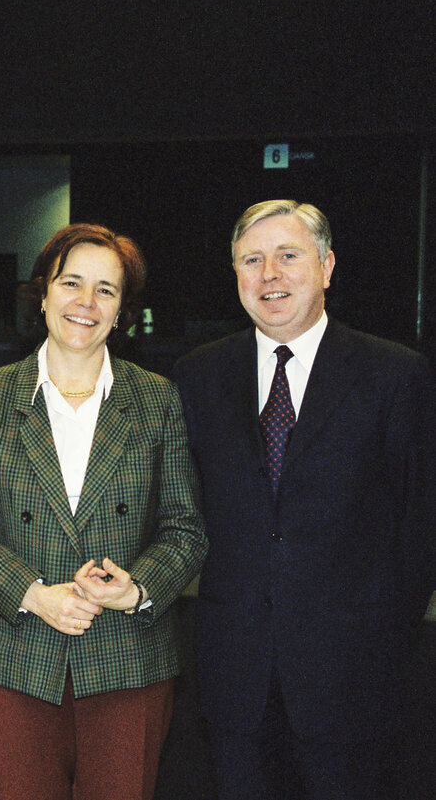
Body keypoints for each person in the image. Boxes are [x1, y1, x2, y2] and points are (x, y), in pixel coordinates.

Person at [172, 200, 436, 800]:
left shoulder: (396, 376)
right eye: (252, 260)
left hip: (353, 682)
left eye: (288, 256)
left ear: (327, 266)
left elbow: (419, 530)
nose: (270, 275)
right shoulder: (196, 378)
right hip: (231, 678)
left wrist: (380, 644)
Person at [0, 223, 208, 800]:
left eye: (106, 290)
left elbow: (184, 529)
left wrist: (135, 590)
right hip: (16, 653)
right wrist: (35, 593)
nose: (86, 303)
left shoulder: (158, 399)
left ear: (122, 311)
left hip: (127, 653)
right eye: (71, 283)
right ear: (42, 294)